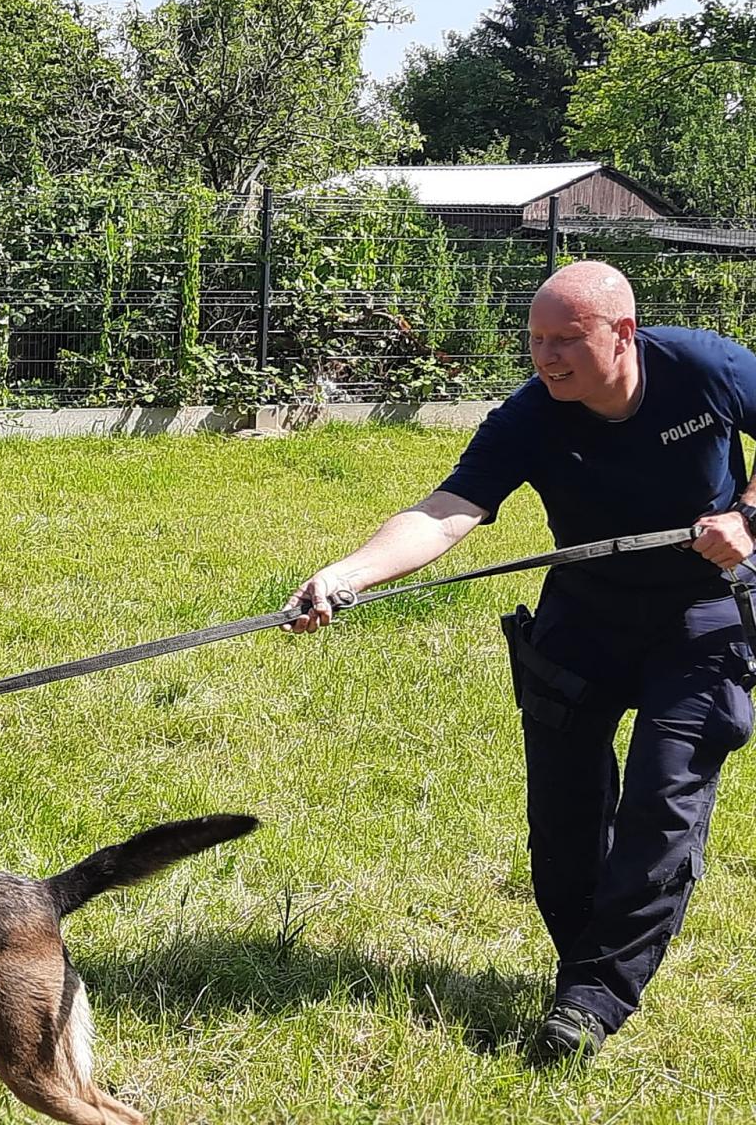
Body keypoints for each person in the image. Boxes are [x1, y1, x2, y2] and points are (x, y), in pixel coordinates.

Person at [284, 260, 756, 1063]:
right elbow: (445, 512)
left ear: (623, 333)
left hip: (702, 611)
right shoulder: (532, 414)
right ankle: (584, 960)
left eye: (566, 340)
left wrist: (746, 517)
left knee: (662, 801)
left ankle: (594, 1000)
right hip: (585, 611)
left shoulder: (702, 367)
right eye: (537, 340)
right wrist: (346, 574)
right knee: (563, 820)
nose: (547, 357)